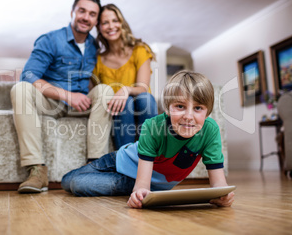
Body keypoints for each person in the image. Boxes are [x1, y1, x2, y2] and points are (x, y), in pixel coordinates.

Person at [61, 70, 235, 209]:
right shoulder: (152, 126)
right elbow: (142, 184)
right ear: (167, 108)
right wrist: (140, 191)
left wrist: (223, 195)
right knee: (69, 182)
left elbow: (218, 182)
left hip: (146, 184)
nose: (189, 116)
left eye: (198, 108)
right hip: (119, 162)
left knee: (78, 184)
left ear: (207, 111)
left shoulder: (210, 130)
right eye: (180, 106)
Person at [11, 0, 114, 193]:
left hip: (81, 105)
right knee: (20, 88)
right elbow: (29, 75)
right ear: (72, 12)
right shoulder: (51, 39)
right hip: (52, 102)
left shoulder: (94, 46)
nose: (86, 17)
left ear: (96, 20)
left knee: (105, 90)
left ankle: (95, 167)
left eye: (92, 14)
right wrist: (67, 95)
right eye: (82, 11)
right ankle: (36, 170)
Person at [92, 4, 158, 149]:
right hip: (118, 112)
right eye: (105, 22)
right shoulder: (97, 60)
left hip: (143, 106)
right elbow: (95, 94)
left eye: (115, 20)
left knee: (145, 98)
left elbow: (143, 87)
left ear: (122, 23)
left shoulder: (140, 50)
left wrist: (125, 90)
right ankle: (126, 158)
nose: (111, 26)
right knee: (125, 102)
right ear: (99, 28)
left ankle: (150, 154)